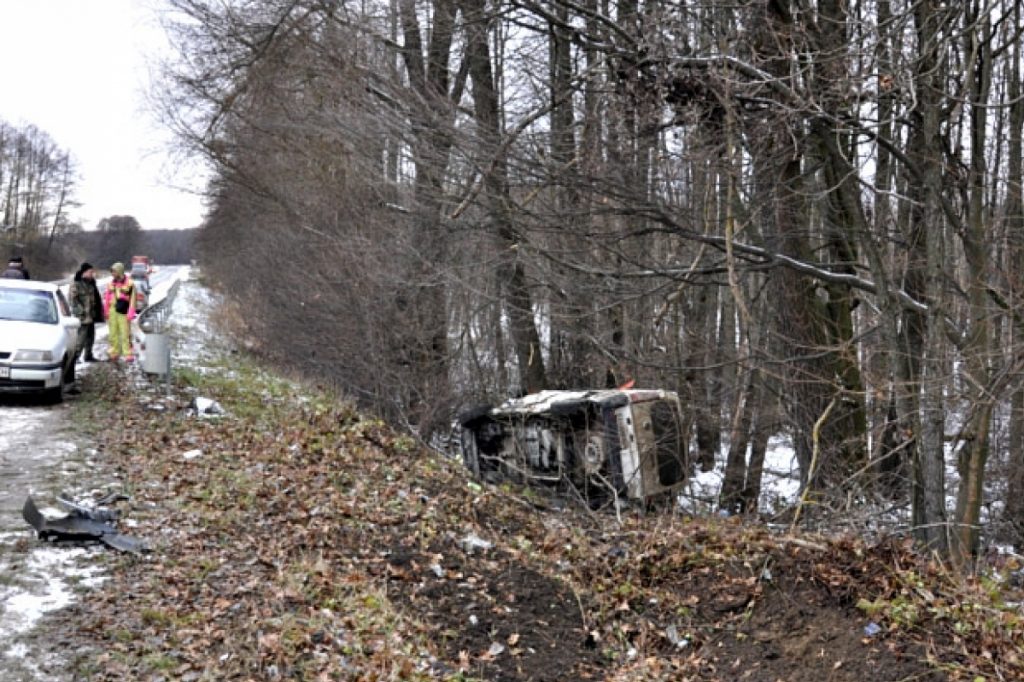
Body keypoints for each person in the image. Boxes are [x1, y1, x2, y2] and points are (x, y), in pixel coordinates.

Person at [70, 262, 103, 363]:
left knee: (91, 337)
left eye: (92, 272)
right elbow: (73, 300)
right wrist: (81, 312)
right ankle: (75, 358)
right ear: (84, 272)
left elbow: (96, 298)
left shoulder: (91, 283)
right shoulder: (76, 284)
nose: (92, 274)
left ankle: (88, 355)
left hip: (91, 315)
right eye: (90, 272)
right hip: (83, 316)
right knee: (81, 338)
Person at [103, 262, 137, 362]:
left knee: (125, 332)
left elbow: (133, 299)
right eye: (112, 271)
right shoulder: (110, 284)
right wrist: (106, 311)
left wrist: (131, 312)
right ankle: (115, 351)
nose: (112, 273)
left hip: (123, 311)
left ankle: (128, 353)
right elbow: (107, 298)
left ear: (119, 271)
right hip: (112, 310)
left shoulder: (130, 284)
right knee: (113, 332)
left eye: (114, 271)